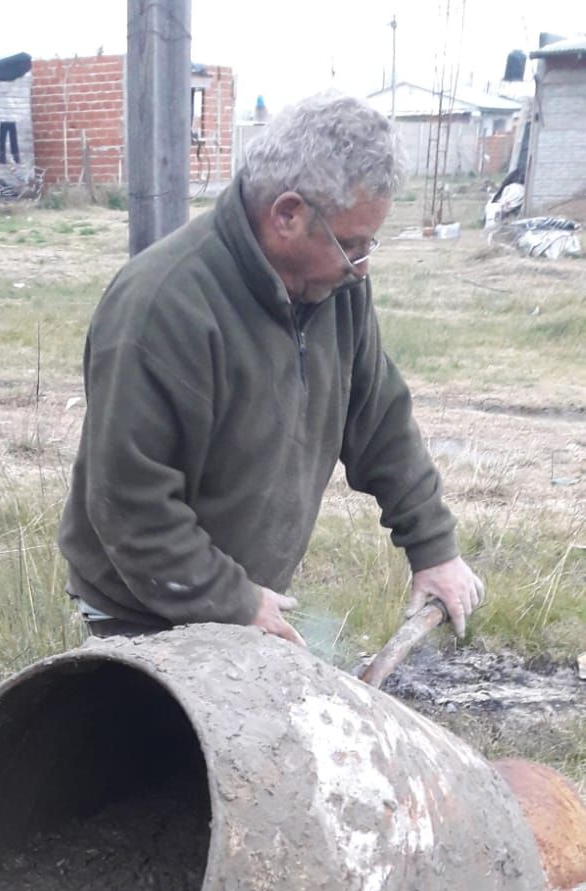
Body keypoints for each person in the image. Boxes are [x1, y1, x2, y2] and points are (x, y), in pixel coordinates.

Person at [58, 94, 484, 644]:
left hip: (241, 595)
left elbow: (379, 420)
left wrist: (434, 549)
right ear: (287, 214)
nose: (362, 265)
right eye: (350, 244)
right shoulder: (161, 307)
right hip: (142, 613)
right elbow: (130, 504)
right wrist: (231, 599)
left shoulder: (336, 290)